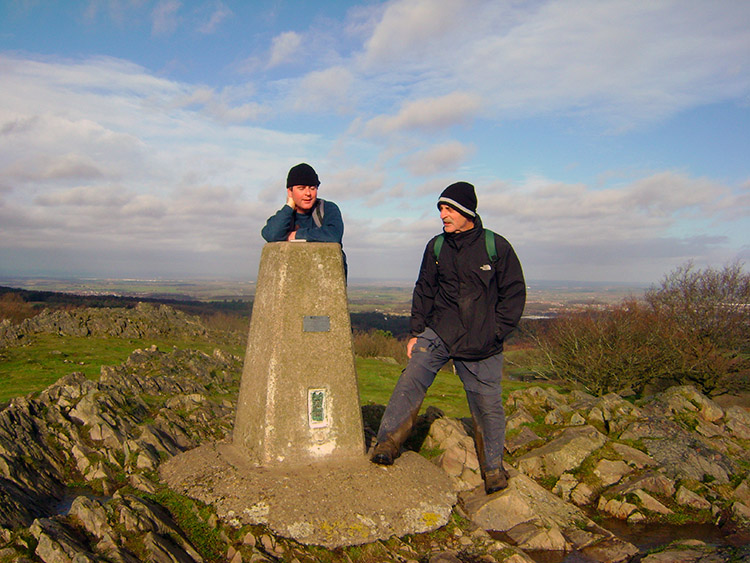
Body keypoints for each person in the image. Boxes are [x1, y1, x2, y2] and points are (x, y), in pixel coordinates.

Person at [370, 181, 526, 495]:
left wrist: (496, 333)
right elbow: (424, 290)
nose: (443, 214)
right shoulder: (436, 247)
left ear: (467, 211)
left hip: (482, 339)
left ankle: (493, 468)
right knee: (411, 378)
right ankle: (387, 443)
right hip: (440, 331)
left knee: (487, 404)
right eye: (441, 208)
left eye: (449, 208)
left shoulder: (496, 246)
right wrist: (416, 333)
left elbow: (514, 294)